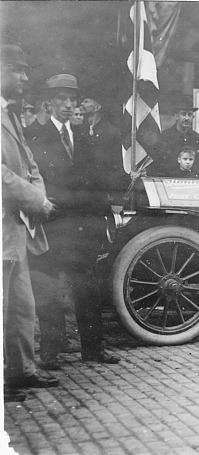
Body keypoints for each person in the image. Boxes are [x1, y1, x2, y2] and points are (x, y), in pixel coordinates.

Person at [27, 73, 120, 368]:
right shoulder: (35, 137)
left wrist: (104, 217)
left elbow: (95, 182)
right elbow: (34, 181)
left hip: (82, 228)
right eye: (62, 100)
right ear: (49, 103)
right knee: (51, 292)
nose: (68, 105)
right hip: (53, 225)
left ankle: (93, 349)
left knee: (87, 289)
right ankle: (51, 353)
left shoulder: (83, 136)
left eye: (72, 100)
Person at [2, 45, 59, 402]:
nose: (25, 77)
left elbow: (29, 164)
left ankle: (22, 370)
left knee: (21, 305)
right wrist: (36, 199)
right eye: (17, 70)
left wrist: (39, 197)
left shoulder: (9, 115)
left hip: (14, 227)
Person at [78, 93, 127, 204]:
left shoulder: (111, 132)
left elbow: (116, 166)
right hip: (79, 192)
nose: (82, 104)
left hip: (101, 192)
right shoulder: (77, 130)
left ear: (97, 107)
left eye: (86, 101)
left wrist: (116, 199)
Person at [149, 96, 199, 176]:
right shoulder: (165, 137)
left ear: (193, 117)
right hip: (169, 179)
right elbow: (159, 164)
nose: (187, 118)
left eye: (190, 115)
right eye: (183, 114)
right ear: (176, 116)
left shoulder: (197, 138)